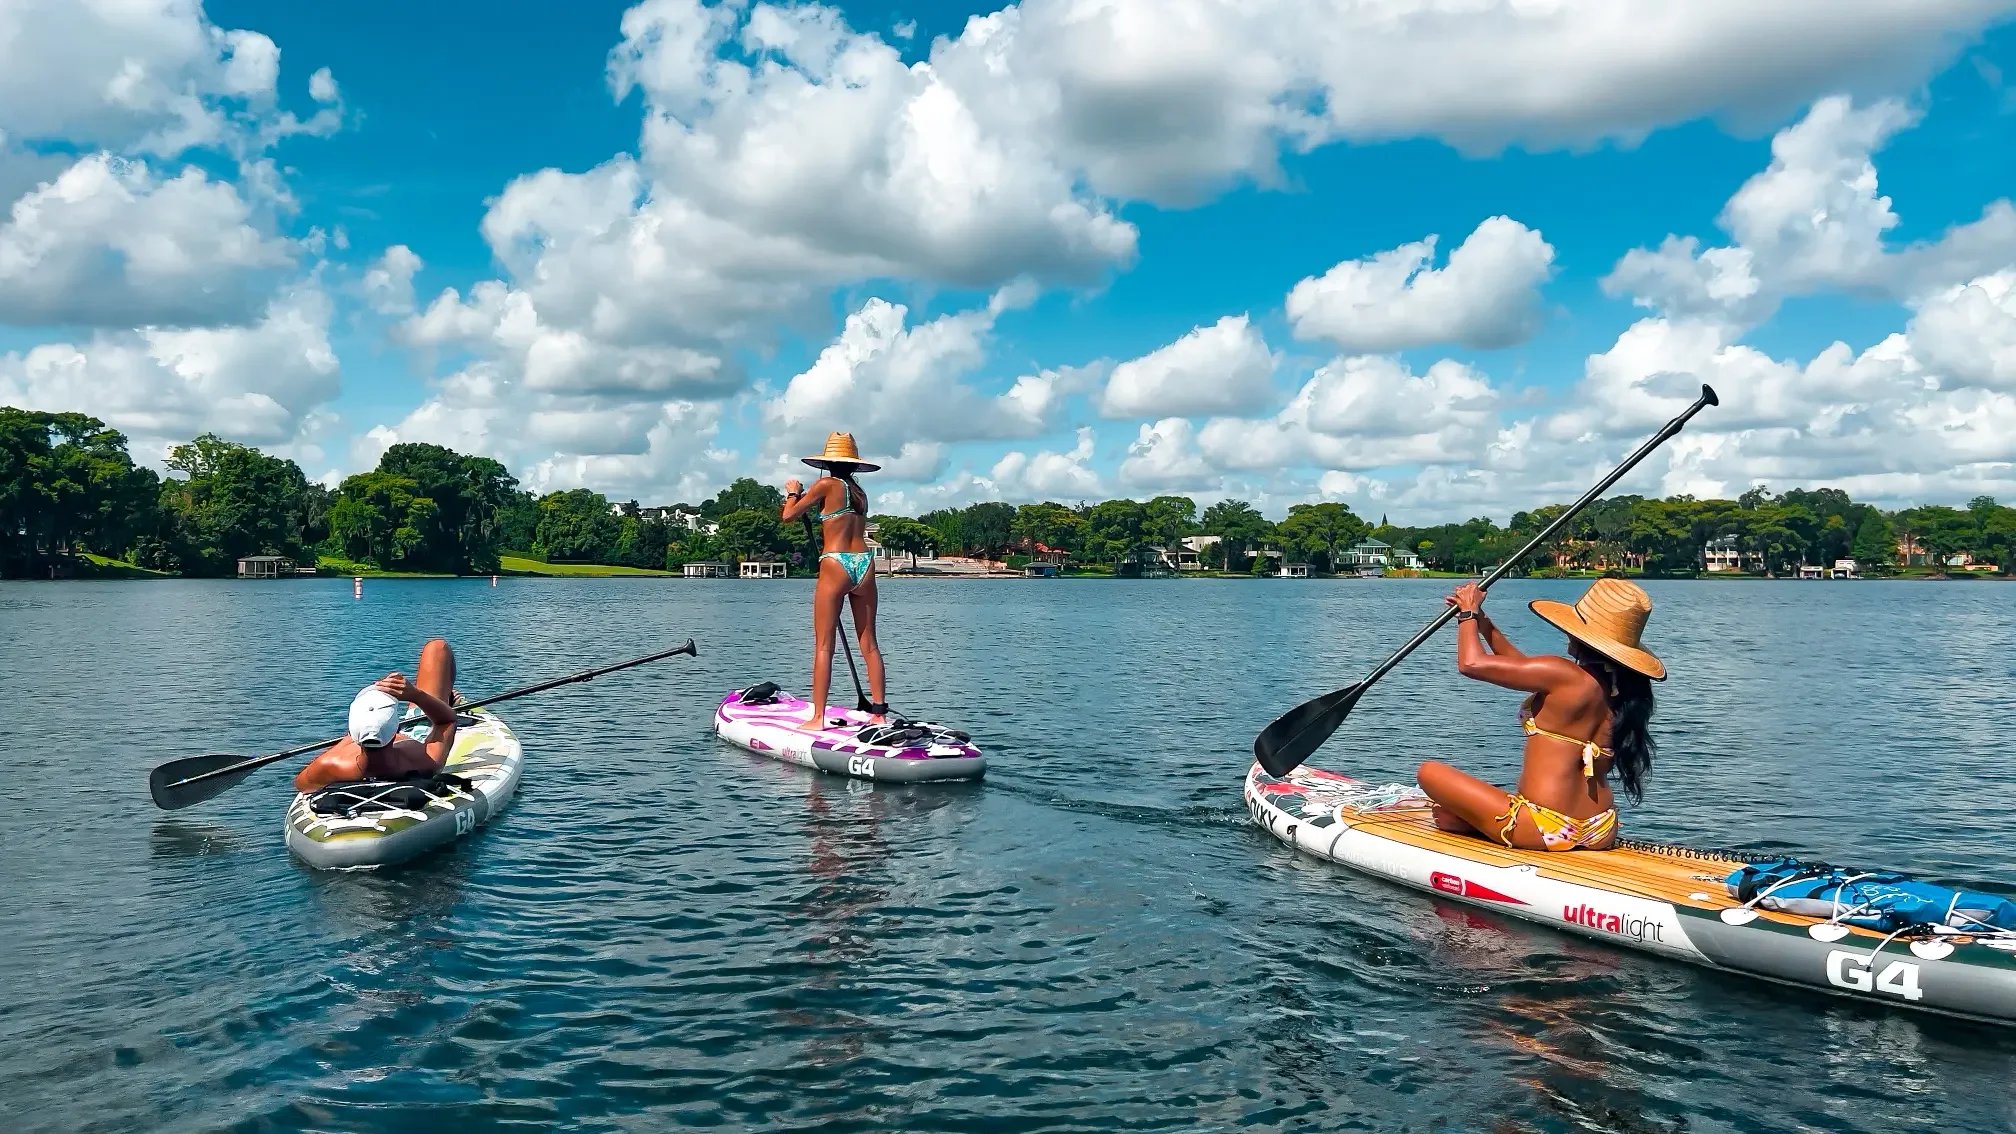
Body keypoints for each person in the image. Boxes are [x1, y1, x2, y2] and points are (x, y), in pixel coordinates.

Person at [1416, 578, 1663, 852]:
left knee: (1429, 772)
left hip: (1545, 825)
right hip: (1601, 827)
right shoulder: (1625, 691)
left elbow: (1471, 663)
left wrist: (1468, 614)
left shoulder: (1564, 674)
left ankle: (1476, 825)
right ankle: (1473, 823)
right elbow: (1521, 667)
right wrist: (1484, 624)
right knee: (1453, 810)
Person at [779, 431, 888, 730]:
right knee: (870, 644)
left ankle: (818, 718)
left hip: (835, 562)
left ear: (827, 464)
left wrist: (793, 492)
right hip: (864, 563)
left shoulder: (826, 485)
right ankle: (879, 713)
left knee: (824, 646)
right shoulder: (859, 492)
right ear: (853, 464)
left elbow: (788, 516)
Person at [294, 638, 461, 793]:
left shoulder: (331, 764)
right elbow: (447, 720)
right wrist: (416, 695)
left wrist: (346, 742)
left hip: (360, 747)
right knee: (437, 648)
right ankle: (446, 700)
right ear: (395, 729)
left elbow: (302, 785)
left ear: (353, 732)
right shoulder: (423, 760)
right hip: (420, 732)